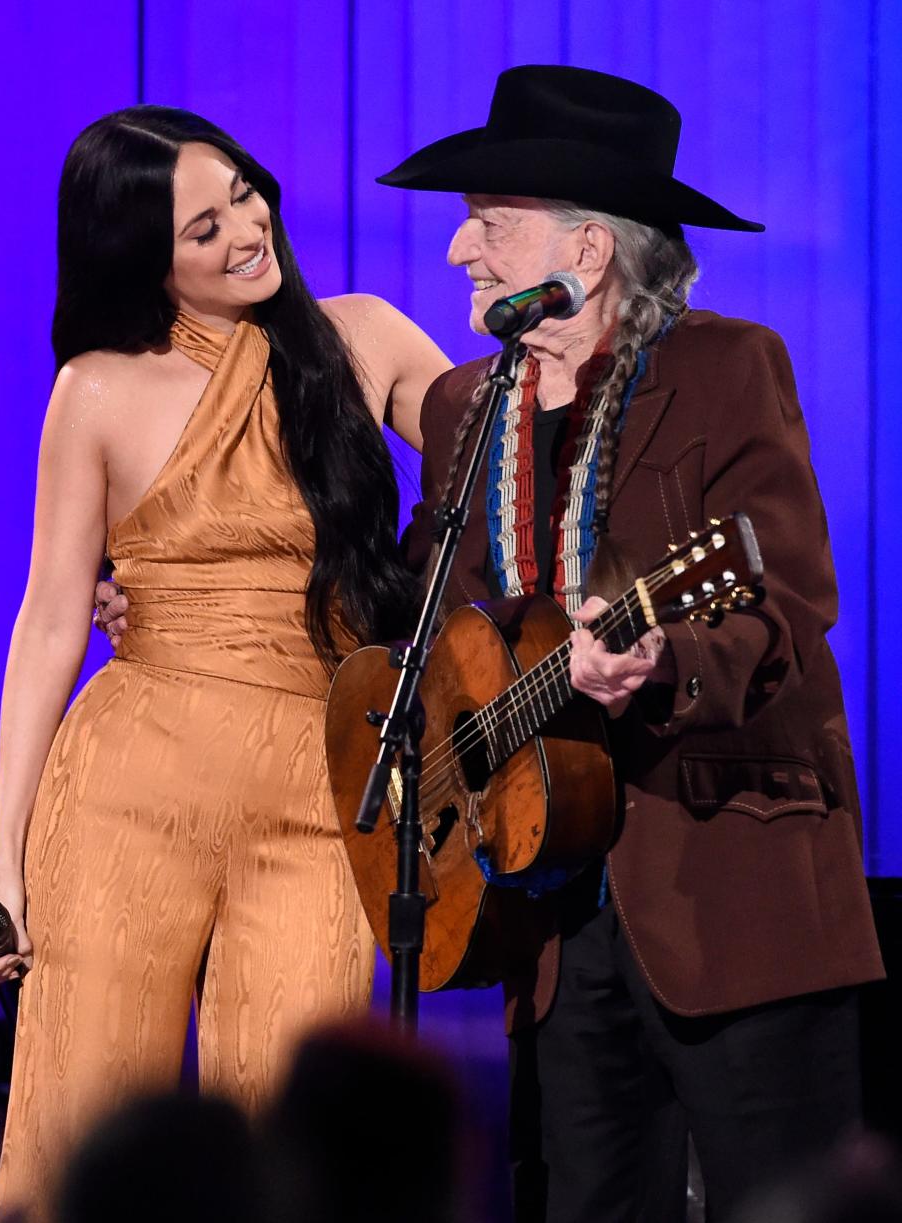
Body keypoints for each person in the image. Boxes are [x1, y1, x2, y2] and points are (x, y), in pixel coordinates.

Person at [378, 66, 885, 1221]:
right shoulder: (466, 409)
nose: (463, 252)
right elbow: (427, 612)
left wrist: (665, 661)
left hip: (729, 883)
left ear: (589, 251)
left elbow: (788, 599)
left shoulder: (725, 369)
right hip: (553, 914)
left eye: (488, 225)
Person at [0, 105, 449, 1221]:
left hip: (324, 793)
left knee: (294, 1145)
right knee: (79, 1123)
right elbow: (46, 621)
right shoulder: (96, 387)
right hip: (127, 792)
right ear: (146, 260)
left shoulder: (362, 336)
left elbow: (495, 471)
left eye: (243, 192)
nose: (245, 228)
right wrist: (2, 860)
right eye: (201, 227)